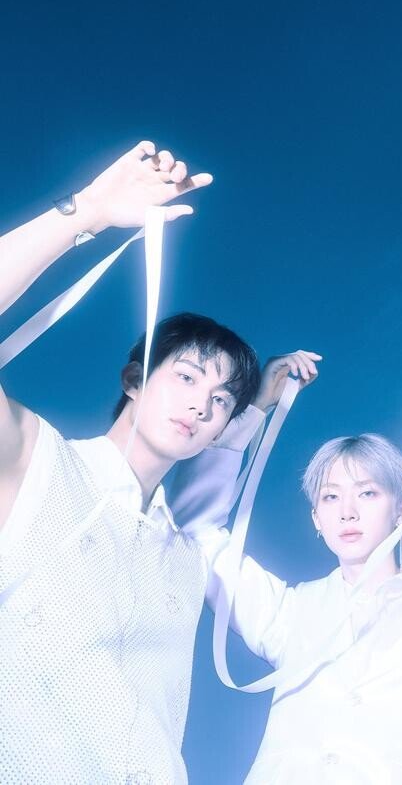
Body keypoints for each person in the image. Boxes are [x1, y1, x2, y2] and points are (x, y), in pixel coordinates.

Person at [0, 141, 260, 783]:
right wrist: (86, 212)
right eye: (187, 376)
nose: (201, 405)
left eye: (222, 399)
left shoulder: (185, 558)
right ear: (135, 380)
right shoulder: (40, 464)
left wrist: (261, 403)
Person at [167, 354, 402, 784]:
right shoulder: (291, 613)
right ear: (316, 519)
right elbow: (194, 531)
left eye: (367, 493)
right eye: (330, 497)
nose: (347, 512)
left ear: (401, 509)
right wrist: (255, 408)